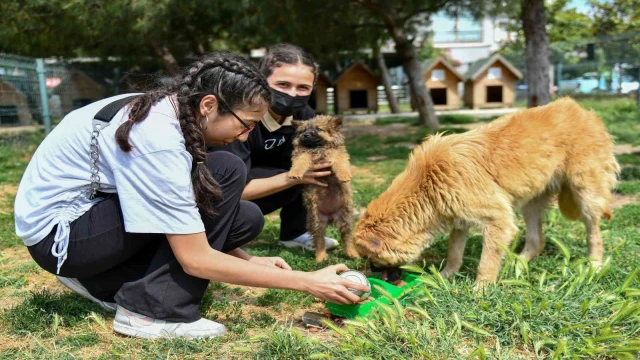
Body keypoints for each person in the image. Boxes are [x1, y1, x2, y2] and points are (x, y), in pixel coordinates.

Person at [14, 52, 368, 340]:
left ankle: (101, 280)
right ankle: (150, 312)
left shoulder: (175, 111)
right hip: (63, 236)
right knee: (226, 169)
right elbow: (196, 259)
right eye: (245, 124)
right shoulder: (156, 139)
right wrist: (309, 282)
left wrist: (247, 260)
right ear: (209, 104)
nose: (247, 136)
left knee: (244, 216)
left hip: (91, 223)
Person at [210, 43, 339, 251]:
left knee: (316, 166)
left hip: (269, 182)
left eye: (303, 88)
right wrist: (294, 177)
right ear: (262, 81)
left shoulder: (304, 116)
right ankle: (221, 230)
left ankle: (295, 233)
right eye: (283, 85)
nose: (293, 94)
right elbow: (224, 190)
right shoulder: (239, 115)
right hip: (222, 195)